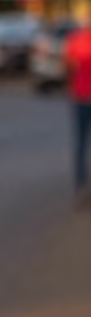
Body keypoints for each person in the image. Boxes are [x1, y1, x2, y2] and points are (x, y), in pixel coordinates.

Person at [64, 22, 91, 197]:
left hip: (80, 97)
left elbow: (68, 68)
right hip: (81, 97)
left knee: (80, 142)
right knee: (81, 142)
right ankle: (81, 184)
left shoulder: (74, 41)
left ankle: (81, 184)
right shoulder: (75, 41)